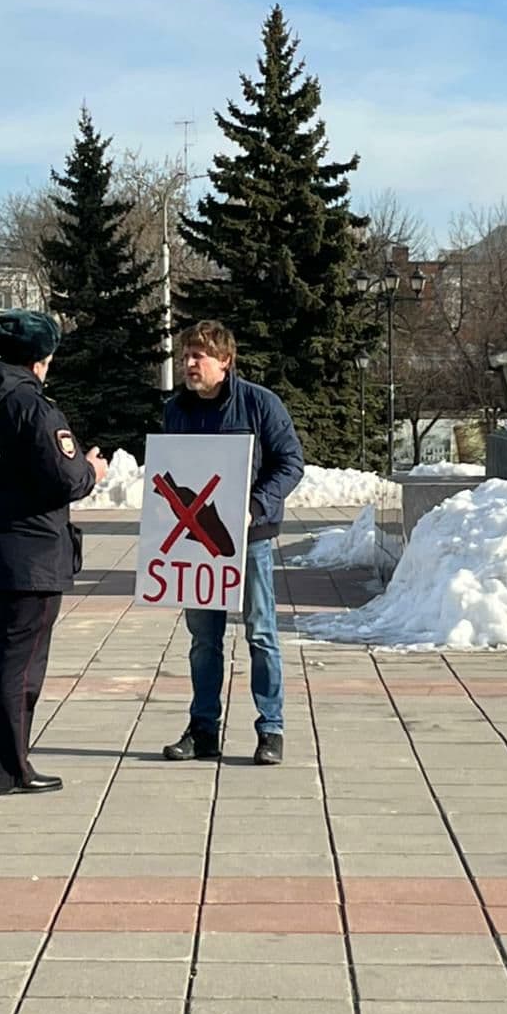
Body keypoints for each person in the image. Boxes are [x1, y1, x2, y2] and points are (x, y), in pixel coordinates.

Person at [0, 309, 108, 796]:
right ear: (42, 360)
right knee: (21, 665)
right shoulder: (34, 408)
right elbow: (69, 478)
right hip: (32, 558)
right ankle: (11, 769)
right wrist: (96, 470)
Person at [161, 320, 304, 765]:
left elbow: (290, 463)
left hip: (252, 538)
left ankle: (271, 729)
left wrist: (255, 507)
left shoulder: (260, 404)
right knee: (204, 639)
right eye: (185, 355)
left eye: (198, 356)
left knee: (260, 634)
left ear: (225, 360)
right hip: (196, 544)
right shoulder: (176, 410)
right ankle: (203, 728)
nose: (188, 364)